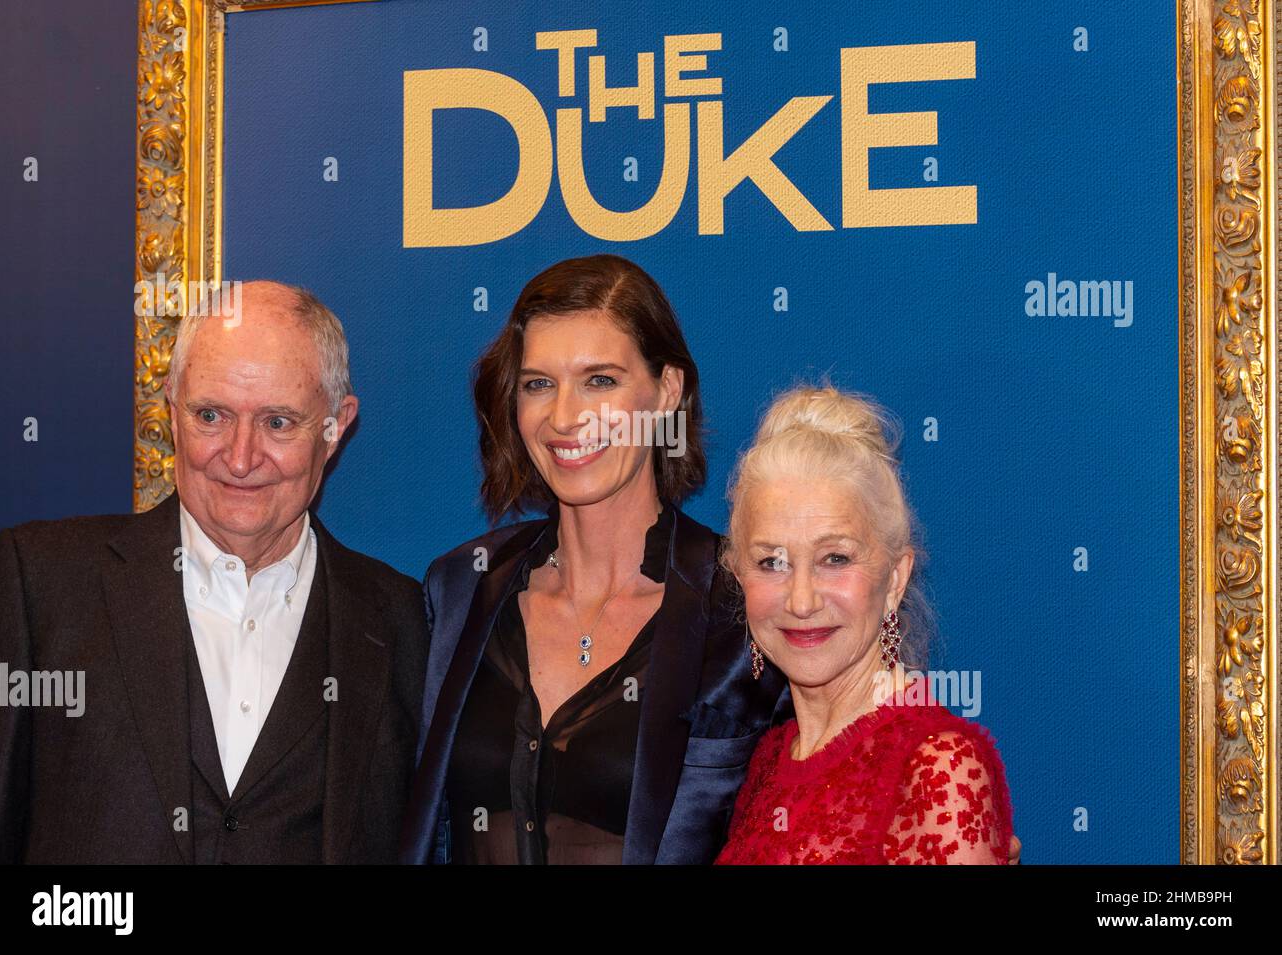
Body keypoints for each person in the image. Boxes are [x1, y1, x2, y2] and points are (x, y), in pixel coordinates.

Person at [0, 280, 428, 863]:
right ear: (171, 409)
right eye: (211, 415)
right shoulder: (42, 582)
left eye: (278, 423)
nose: (240, 458)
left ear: (336, 426)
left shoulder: (402, 619)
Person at [400, 255, 792, 864]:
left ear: (666, 392)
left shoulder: (742, 607)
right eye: (538, 384)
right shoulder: (459, 589)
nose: (564, 417)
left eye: (600, 381)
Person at [714, 386, 1014, 864]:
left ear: (894, 578)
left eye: (835, 558)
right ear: (739, 579)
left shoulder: (938, 768)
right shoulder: (772, 758)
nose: (802, 599)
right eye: (772, 562)